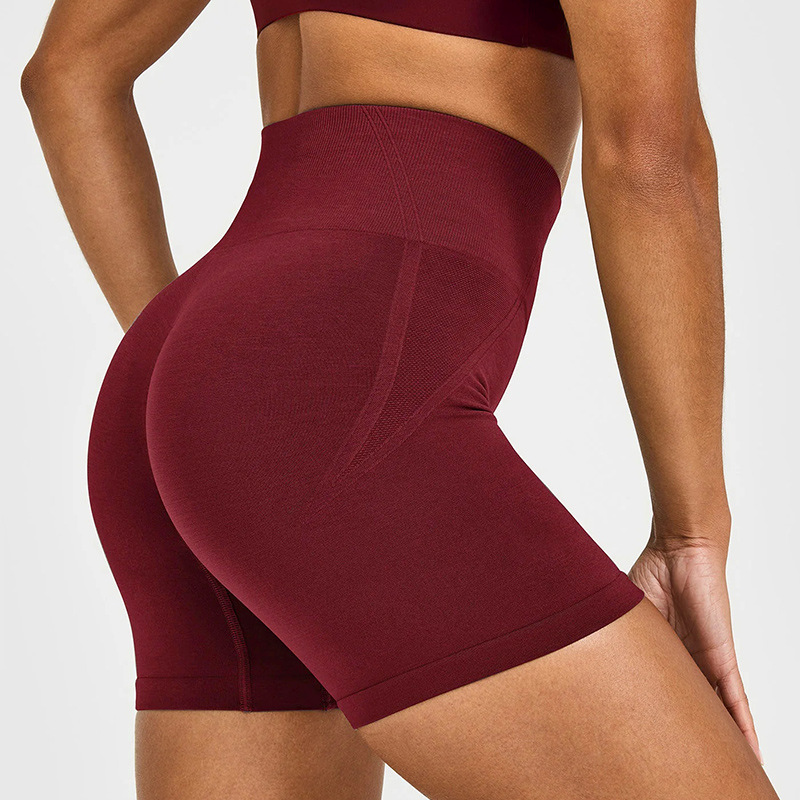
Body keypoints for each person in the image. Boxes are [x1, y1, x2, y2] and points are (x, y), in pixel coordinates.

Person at [21, 1, 780, 797]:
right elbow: (651, 158)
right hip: (325, 388)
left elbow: (67, 74)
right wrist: (691, 532)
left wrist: (203, 388)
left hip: (184, 376)